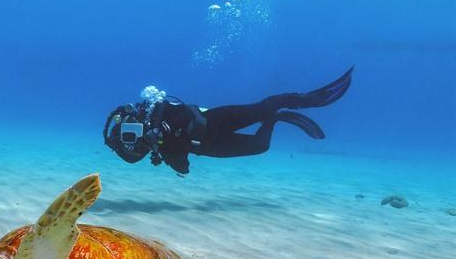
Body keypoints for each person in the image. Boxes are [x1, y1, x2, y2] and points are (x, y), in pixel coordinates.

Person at [103, 67, 353, 175]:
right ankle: (277, 119)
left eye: (131, 133)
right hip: (209, 147)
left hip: (214, 120)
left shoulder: (155, 111)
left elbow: (182, 109)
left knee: (261, 107)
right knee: (260, 146)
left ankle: (309, 98)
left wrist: (163, 129)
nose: (136, 139)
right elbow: (183, 167)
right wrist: (164, 149)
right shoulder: (159, 147)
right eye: (133, 142)